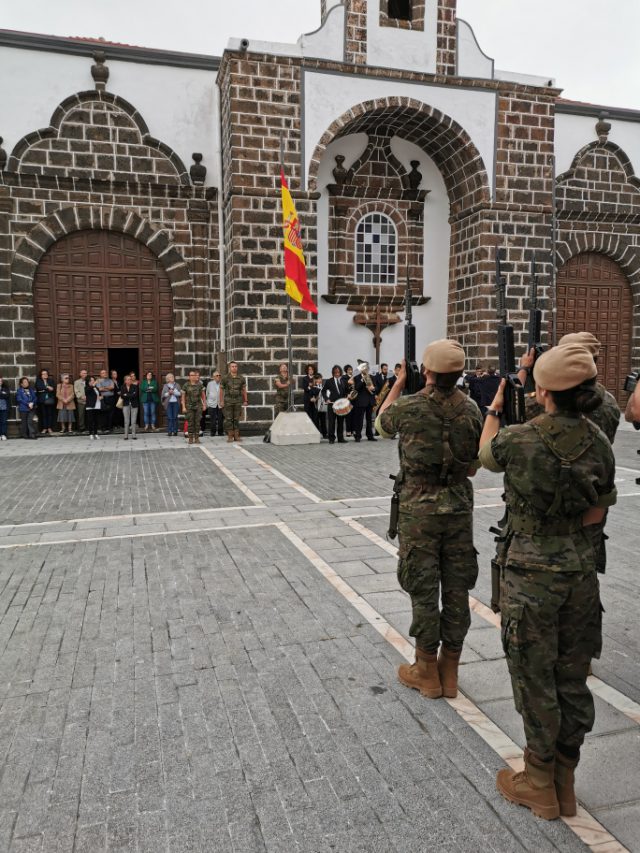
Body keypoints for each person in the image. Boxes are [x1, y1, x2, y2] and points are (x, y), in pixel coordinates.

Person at [478, 344, 617, 821]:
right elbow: (599, 507)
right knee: (571, 675)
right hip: (579, 573)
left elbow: (485, 456)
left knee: (533, 674)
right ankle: (565, 781)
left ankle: (538, 781)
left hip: (530, 575)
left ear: (542, 391)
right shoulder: (599, 439)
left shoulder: (520, 438)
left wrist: (496, 410)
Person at [376, 341, 482, 702]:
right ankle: (449, 669)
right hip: (458, 507)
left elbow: (382, 424)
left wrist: (399, 383)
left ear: (429, 372)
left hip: (419, 509)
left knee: (423, 586)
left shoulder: (409, 406)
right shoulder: (472, 410)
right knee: (456, 587)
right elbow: (473, 464)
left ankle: (426, 671)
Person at [349, 363, 377, 442]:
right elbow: (356, 388)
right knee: (359, 420)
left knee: (369, 420)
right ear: (361, 369)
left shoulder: (372, 376)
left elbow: (376, 387)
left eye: (366, 368)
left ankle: (370, 435)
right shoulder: (357, 377)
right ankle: (358, 436)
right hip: (360, 401)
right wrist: (362, 380)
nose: (365, 369)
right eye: (363, 368)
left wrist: (373, 388)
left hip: (370, 401)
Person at [221, 361, 247, 442]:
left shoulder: (241, 378)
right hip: (228, 400)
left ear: (237, 367)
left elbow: (244, 390)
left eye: (235, 366)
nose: (234, 368)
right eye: (232, 366)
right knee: (229, 419)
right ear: (229, 368)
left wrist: (245, 400)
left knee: (236, 418)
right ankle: (230, 436)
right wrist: (221, 401)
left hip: (238, 401)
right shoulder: (225, 378)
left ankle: (236, 436)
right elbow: (221, 390)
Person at [323, 365, 347, 444]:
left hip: (341, 405)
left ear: (340, 372)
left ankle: (340, 438)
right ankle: (331, 438)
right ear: (333, 373)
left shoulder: (343, 381)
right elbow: (323, 391)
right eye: (335, 372)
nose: (337, 374)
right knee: (332, 422)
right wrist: (326, 399)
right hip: (332, 404)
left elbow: (345, 391)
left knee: (340, 422)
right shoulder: (329, 381)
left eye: (338, 372)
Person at [181, 369, 206, 445]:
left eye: (194, 375)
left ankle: (197, 438)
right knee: (190, 422)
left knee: (197, 422)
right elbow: (183, 397)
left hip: (198, 406)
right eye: (191, 375)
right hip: (189, 406)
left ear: (196, 376)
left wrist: (204, 404)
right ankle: (190, 438)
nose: (193, 377)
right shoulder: (186, 385)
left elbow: (203, 395)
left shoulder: (200, 385)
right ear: (189, 377)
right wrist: (183, 407)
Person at [35, 368, 56, 435]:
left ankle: (49, 427)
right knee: (43, 414)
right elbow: (38, 388)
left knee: (50, 414)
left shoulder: (50, 380)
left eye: (46, 374)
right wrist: (47, 388)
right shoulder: (38, 381)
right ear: (41, 375)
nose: (45, 375)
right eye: (43, 374)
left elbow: (53, 388)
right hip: (42, 400)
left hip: (49, 399)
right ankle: (44, 428)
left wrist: (45, 389)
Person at [119, 375, 140, 440]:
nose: (129, 380)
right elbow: (122, 396)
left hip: (134, 405)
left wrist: (127, 395)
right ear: (125, 381)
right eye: (128, 379)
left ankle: (134, 435)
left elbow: (135, 395)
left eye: (130, 379)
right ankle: (126, 435)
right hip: (126, 405)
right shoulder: (122, 387)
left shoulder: (135, 386)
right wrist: (130, 394)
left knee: (133, 421)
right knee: (126, 421)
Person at [205, 371, 224, 437]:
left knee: (220, 419)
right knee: (212, 419)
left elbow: (225, 393)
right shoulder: (209, 384)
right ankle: (212, 432)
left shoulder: (222, 383)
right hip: (212, 403)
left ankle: (220, 432)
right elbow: (207, 393)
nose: (218, 376)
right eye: (217, 375)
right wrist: (207, 403)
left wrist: (223, 402)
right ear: (213, 377)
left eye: (219, 375)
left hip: (220, 403)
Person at [85, 376, 101, 440]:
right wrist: (93, 385)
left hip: (97, 404)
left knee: (96, 420)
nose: (93, 381)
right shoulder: (86, 387)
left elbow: (99, 394)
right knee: (90, 420)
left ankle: (96, 433)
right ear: (88, 381)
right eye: (91, 380)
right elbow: (87, 391)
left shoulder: (96, 388)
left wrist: (100, 397)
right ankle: (91, 433)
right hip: (90, 406)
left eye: (93, 380)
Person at [313, 373, 327, 438]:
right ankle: (317, 433)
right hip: (316, 406)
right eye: (318, 379)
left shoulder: (323, 386)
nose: (320, 380)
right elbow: (312, 395)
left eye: (320, 378)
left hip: (323, 405)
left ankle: (325, 434)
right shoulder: (313, 387)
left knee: (323, 420)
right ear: (315, 380)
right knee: (316, 420)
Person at [73, 369, 88, 433]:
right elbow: (76, 390)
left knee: (89, 415)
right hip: (81, 401)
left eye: (85, 373)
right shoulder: (76, 382)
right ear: (80, 374)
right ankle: (81, 427)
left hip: (89, 401)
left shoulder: (88, 381)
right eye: (83, 373)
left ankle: (88, 427)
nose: (85, 374)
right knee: (81, 415)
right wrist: (81, 396)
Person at [343, 364, 354, 436]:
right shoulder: (344, 377)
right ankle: (348, 431)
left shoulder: (354, 377)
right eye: (349, 369)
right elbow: (344, 387)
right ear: (346, 370)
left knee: (354, 415)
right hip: (347, 397)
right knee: (348, 415)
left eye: (351, 369)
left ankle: (353, 430)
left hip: (354, 398)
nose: (350, 371)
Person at [0, 375, 10, 441]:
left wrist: (2, 394)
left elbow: (7, 395)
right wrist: (2, 394)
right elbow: (3, 395)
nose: (0, 382)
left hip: (4, 407)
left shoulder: (5, 388)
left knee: (3, 421)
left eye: (1, 381)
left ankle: (3, 434)